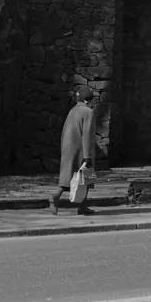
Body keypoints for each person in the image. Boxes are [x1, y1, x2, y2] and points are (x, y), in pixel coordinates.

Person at [50, 85, 97, 215]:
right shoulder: (88, 112)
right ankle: (81, 206)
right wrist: (87, 156)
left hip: (68, 147)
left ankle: (57, 196)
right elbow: (87, 135)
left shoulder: (73, 111)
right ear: (88, 100)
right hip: (81, 148)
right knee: (85, 177)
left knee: (69, 177)